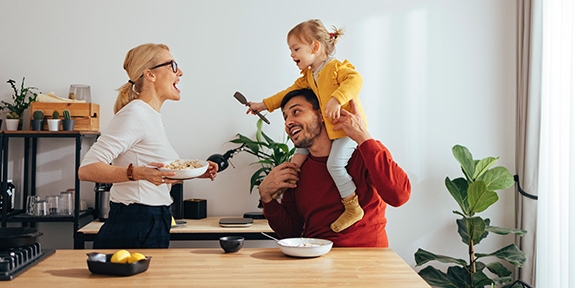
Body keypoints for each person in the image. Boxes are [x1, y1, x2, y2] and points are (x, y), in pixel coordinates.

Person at [78, 43, 218, 249]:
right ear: (150, 75)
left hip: (153, 219)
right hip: (134, 222)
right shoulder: (136, 114)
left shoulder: (150, 116)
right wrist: (139, 173)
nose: (180, 72)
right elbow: (87, 169)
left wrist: (194, 172)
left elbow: (155, 172)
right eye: (172, 65)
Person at [247, 19, 368, 233]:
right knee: (296, 162)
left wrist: (337, 99)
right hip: (328, 132)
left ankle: (352, 206)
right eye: (290, 50)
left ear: (315, 47)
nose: (292, 55)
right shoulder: (309, 77)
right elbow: (286, 94)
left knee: (335, 165)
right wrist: (263, 105)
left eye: (296, 49)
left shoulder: (335, 68)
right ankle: (282, 193)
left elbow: (355, 80)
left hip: (344, 132)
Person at [258, 88, 410, 247]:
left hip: (368, 263)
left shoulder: (365, 152)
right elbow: (292, 233)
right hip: (317, 261)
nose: (288, 122)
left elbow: (399, 197)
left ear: (321, 114)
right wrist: (267, 198)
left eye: (296, 112)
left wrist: (363, 136)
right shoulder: (296, 169)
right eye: (285, 117)